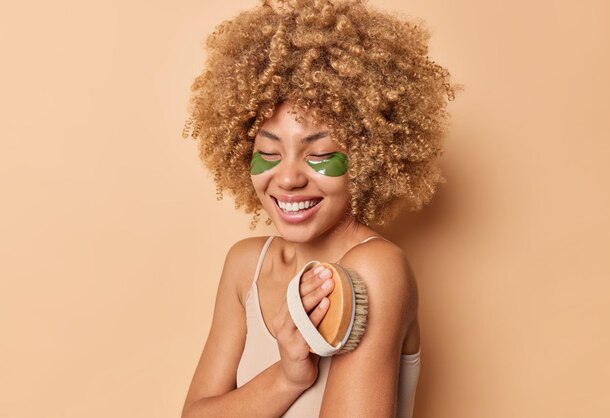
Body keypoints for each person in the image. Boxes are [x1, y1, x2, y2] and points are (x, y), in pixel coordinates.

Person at [180, 0, 455, 416]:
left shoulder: (377, 269)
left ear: (367, 159)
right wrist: (289, 376)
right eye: (269, 153)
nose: (288, 178)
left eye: (320, 153)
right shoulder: (245, 266)